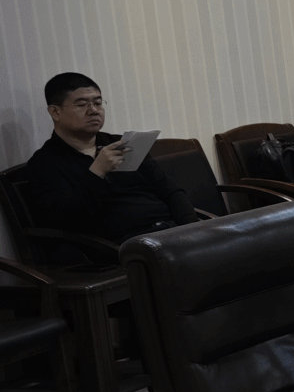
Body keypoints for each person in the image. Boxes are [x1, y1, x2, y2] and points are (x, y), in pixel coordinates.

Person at [24, 72, 198, 261]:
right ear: (55, 112)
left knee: (220, 239)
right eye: (81, 104)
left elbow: (171, 191)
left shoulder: (123, 144)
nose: (93, 110)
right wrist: (97, 172)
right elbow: (68, 221)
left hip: (169, 233)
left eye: (98, 103)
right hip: (123, 249)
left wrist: (193, 230)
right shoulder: (45, 163)